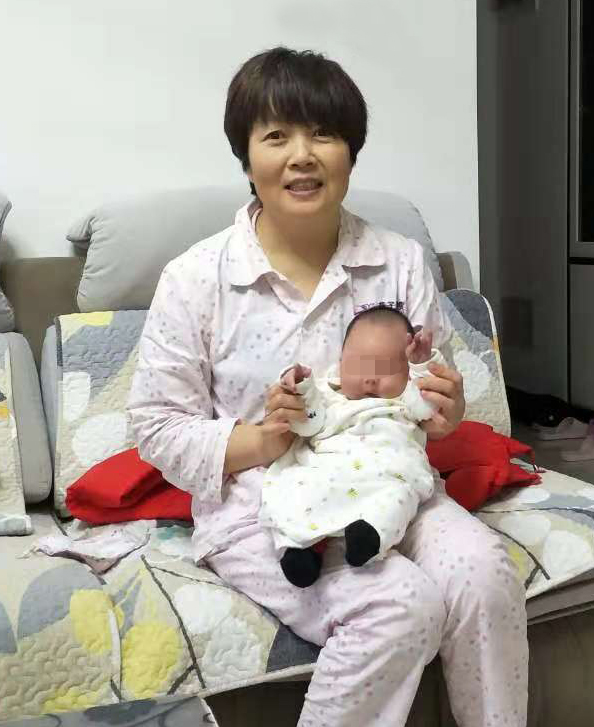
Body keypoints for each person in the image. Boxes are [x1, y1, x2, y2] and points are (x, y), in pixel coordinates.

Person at [128, 47, 528, 727]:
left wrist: (443, 410)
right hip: (264, 507)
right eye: (276, 136)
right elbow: (157, 426)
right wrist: (264, 438)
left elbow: (426, 399)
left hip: (390, 488)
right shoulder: (195, 278)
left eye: (323, 133)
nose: (302, 156)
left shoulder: (400, 261)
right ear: (245, 155)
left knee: (485, 574)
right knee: (400, 606)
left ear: (351, 151)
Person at [261, 308, 445, 588]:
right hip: (330, 470)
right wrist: (301, 388)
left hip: (389, 474)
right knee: (301, 491)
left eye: (386, 369)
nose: (370, 379)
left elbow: (428, 406)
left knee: (399, 497)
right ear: (340, 363)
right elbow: (308, 425)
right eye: (359, 367)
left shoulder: (404, 400)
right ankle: (302, 548)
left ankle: (370, 537)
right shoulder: (327, 394)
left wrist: (423, 365)